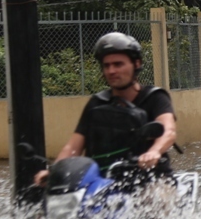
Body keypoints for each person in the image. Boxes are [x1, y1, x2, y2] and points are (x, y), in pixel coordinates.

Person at [35, 32, 177, 186]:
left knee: (158, 199)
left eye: (118, 64)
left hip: (151, 178)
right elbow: (73, 147)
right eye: (107, 65)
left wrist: (154, 151)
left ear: (136, 64)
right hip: (102, 183)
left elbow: (168, 131)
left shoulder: (155, 97)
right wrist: (55, 170)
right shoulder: (97, 103)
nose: (111, 71)